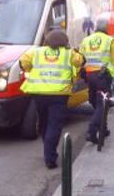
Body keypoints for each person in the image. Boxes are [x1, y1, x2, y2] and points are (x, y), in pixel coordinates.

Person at [20, 29, 85, 169]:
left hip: (39, 94)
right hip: (59, 95)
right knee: (54, 125)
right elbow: (81, 61)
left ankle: (47, 149)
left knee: (44, 123)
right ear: (65, 41)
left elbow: (23, 63)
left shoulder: (36, 52)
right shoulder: (69, 53)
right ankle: (49, 157)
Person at [80, 16, 114, 144]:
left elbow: (81, 58)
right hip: (103, 76)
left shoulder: (86, 40)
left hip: (90, 75)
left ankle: (103, 128)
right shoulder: (109, 41)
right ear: (106, 28)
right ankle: (91, 130)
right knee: (102, 105)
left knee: (95, 102)